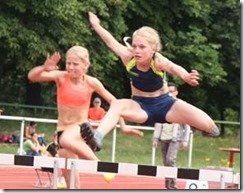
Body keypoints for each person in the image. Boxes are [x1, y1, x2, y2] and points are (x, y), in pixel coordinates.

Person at [85, 11, 219, 150]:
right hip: (140, 106)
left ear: (153, 49)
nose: (137, 50)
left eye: (142, 47)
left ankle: (205, 126)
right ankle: (97, 138)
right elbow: (110, 41)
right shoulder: (128, 56)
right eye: (135, 46)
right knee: (117, 104)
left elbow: (173, 67)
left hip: (166, 105)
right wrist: (96, 25)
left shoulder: (158, 60)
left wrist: (185, 76)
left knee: (211, 127)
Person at [28, 45, 143, 189]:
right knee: (72, 185)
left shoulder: (91, 82)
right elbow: (32, 76)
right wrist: (44, 67)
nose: (70, 67)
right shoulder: (61, 77)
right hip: (62, 134)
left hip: (80, 130)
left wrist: (124, 127)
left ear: (85, 65)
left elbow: (116, 104)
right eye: (68, 63)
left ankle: (102, 166)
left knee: (67, 138)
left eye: (75, 64)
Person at [152, 82, 191, 189]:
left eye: (172, 91)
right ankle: (167, 185)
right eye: (167, 91)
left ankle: (173, 185)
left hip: (175, 137)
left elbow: (187, 123)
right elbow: (158, 122)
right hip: (164, 137)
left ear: (176, 92)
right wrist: (155, 138)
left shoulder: (181, 104)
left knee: (170, 160)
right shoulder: (161, 104)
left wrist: (185, 140)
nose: (170, 94)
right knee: (165, 162)